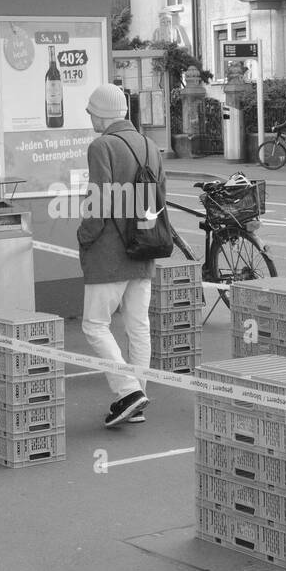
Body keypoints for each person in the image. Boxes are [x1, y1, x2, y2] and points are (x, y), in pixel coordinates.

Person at [77, 83, 164, 427]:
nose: (89, 117)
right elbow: (160, 198)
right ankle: (137, 398)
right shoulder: (150, 145)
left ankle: (128, 391)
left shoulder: (102, 146)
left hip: (110, 251)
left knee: (94, 324)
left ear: (103, 113)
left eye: (91, 111)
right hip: (144, 248)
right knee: (137, 326)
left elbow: (100, 201)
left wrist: (84, 235)